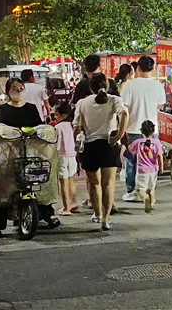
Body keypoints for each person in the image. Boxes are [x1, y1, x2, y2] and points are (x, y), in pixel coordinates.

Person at [0, 78, 60, 237]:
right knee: (4, 189)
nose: (18, 91)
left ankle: (47, 214)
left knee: (40, 182)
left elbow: (39, 127)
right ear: (8, 91)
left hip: (30, 153)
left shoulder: (31, 108)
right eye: (14, 88)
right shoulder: (2, 110)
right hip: (9, 156)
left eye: (21, 88)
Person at [74, 73, 128, 230]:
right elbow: (124, 114)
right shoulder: (114, 100)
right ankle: (106, 218)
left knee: (94, 183)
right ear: (107, 85)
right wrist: (119, 134)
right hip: (109, 145)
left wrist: (78, 141)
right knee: (108, 184)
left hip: (90, 146)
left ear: (91, 87)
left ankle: (97, 214)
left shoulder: (82, 103)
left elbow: (76, 126)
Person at [120, 55, 166, 202]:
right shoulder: (158, 86)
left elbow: (124, 109)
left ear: (138, 68)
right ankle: (150, 189)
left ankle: (132, 190)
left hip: (133, 129)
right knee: (151, 161)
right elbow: (160, 105)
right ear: (152, 69)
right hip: (152, 130)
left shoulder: (129, 85)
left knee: (131, 160)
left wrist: (121, 130)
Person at [125, 120, 163, 213]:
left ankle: (145, 199)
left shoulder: (138, 142)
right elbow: (160, 156)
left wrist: (125, 143)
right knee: (151, 188)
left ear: (141, 131)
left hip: (142, 170)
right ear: (153, 131)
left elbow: (130, 150)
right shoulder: (157, 143)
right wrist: (161, 167)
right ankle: (152, 203)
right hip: (153, 170)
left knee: (140, 189)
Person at [54, 102, 78, 216]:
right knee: (71, 180)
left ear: (63, 115)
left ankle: (66, 208)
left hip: (62, 156)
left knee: (63, 182)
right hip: (72, 155)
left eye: (56, 114)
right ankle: (73, 202)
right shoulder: (72, 125)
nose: (54, 117)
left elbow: (58, 144)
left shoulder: (58, 127)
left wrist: (54, 154)